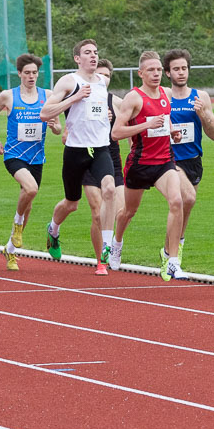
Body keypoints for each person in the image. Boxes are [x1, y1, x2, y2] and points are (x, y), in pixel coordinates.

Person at [39, 39, 117, 272]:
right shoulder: (70, 81)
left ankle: (107, 244)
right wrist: (74, 98)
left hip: (101, 148)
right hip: (76, 151)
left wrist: (108, 115)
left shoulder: (103, 81)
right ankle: (53, 229)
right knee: (72, 203)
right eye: (87, 53)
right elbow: (45, 113)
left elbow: (98, 111)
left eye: (95, 52)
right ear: (77, 58)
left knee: (110, 189)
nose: (93, 56)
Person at [108, 50, 187, 281]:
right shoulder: (133, 98)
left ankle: (172, 260)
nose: (156, 74)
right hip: (140, 163)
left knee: (177, 201)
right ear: (140, 73)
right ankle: (117, 242)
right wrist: (146, 124)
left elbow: (165, 120)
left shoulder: (167, 93)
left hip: (164, 161)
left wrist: (172, 132)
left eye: (159, 70)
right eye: (150, 70)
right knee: (129, 212)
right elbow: (116, 133)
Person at [0, 54, 59, 271]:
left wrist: (55, 127)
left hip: (36, 157)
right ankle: (17, 226)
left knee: (28, 201)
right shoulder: (8, 96)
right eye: (27, 73)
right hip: (14, 155)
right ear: (19, 73)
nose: (31, 76)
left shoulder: (48, 95)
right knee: (31, 188)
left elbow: (57, 127)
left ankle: (10, 249)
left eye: (34, 73)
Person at [163, 48, 214, 263]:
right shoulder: (162, 96)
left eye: (184, 68)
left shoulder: (200, 97)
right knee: (187, 198)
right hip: (169, 159)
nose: (181, 73)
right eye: (176, 69)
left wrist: (203, 114)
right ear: (167, 73)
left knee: (184, 206)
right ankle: (174, 253)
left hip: (193, 160)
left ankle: (170, 247)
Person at [80, 58, 126, 275]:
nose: (104, 79)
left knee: (120, 211)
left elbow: (128, 130)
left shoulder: (118, 102)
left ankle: (114, 247)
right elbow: (66, 136)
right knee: (98, 212)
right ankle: (101, 261)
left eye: (107, 75)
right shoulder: (81, 99)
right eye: (100, 74)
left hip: (113, 159)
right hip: (89, 158)